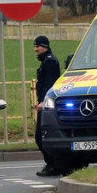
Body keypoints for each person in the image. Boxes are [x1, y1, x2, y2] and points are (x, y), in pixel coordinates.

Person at [33, 35, 62, 177]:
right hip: (45, 104)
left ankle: (53, 165)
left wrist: (44, 101)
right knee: (41, 136)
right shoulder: (47, 61)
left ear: (45, 46)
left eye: (37, 46)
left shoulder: (50, 62)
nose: (35, 49)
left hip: (47, 105)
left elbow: (49, 84)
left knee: (41, 136)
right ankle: (53, 164)